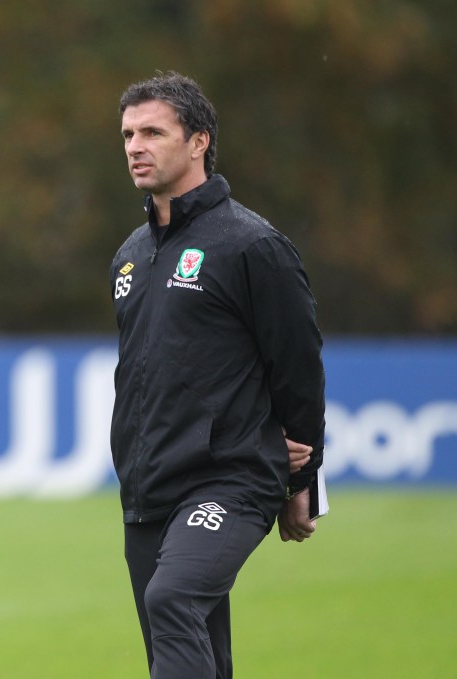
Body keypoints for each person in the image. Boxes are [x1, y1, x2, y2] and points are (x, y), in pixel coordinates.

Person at [109, 72, 325, 678]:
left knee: (172, 599)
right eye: (128, 134)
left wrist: (304, 477)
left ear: (199, 140)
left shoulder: (252, 245)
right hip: (148, 485)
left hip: (230, 477)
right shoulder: (129, 254)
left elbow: (298, 368)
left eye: (153, 132)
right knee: (189, 645)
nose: (135, 146)